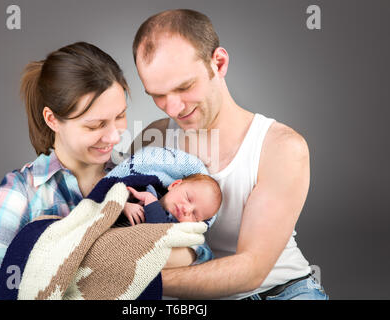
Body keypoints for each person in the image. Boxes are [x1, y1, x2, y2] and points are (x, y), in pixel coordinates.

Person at [131, 9, 328, 300]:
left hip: (279, 293)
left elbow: (251, 270)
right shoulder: (155, 138)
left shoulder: (281, 147)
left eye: (184, 87)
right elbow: (108, 205)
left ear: (218, 63)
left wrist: (128, 277)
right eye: (157, 95)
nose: (172, 108)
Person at [0, 41, 131, 300]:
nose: (114, 136)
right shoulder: (24, 192)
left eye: (120, 116)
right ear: (52, 120)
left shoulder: (134, 174)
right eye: (95, 125)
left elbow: (190, 246)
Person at [123, 173, 221, 226]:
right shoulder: (145, 188)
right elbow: (111, 199)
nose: (187, 210)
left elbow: (158, 231)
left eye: (195, 216)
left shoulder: (174, 228)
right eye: (188, 198)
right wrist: (124, 206)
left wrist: (150, 199)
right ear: (174, 185)